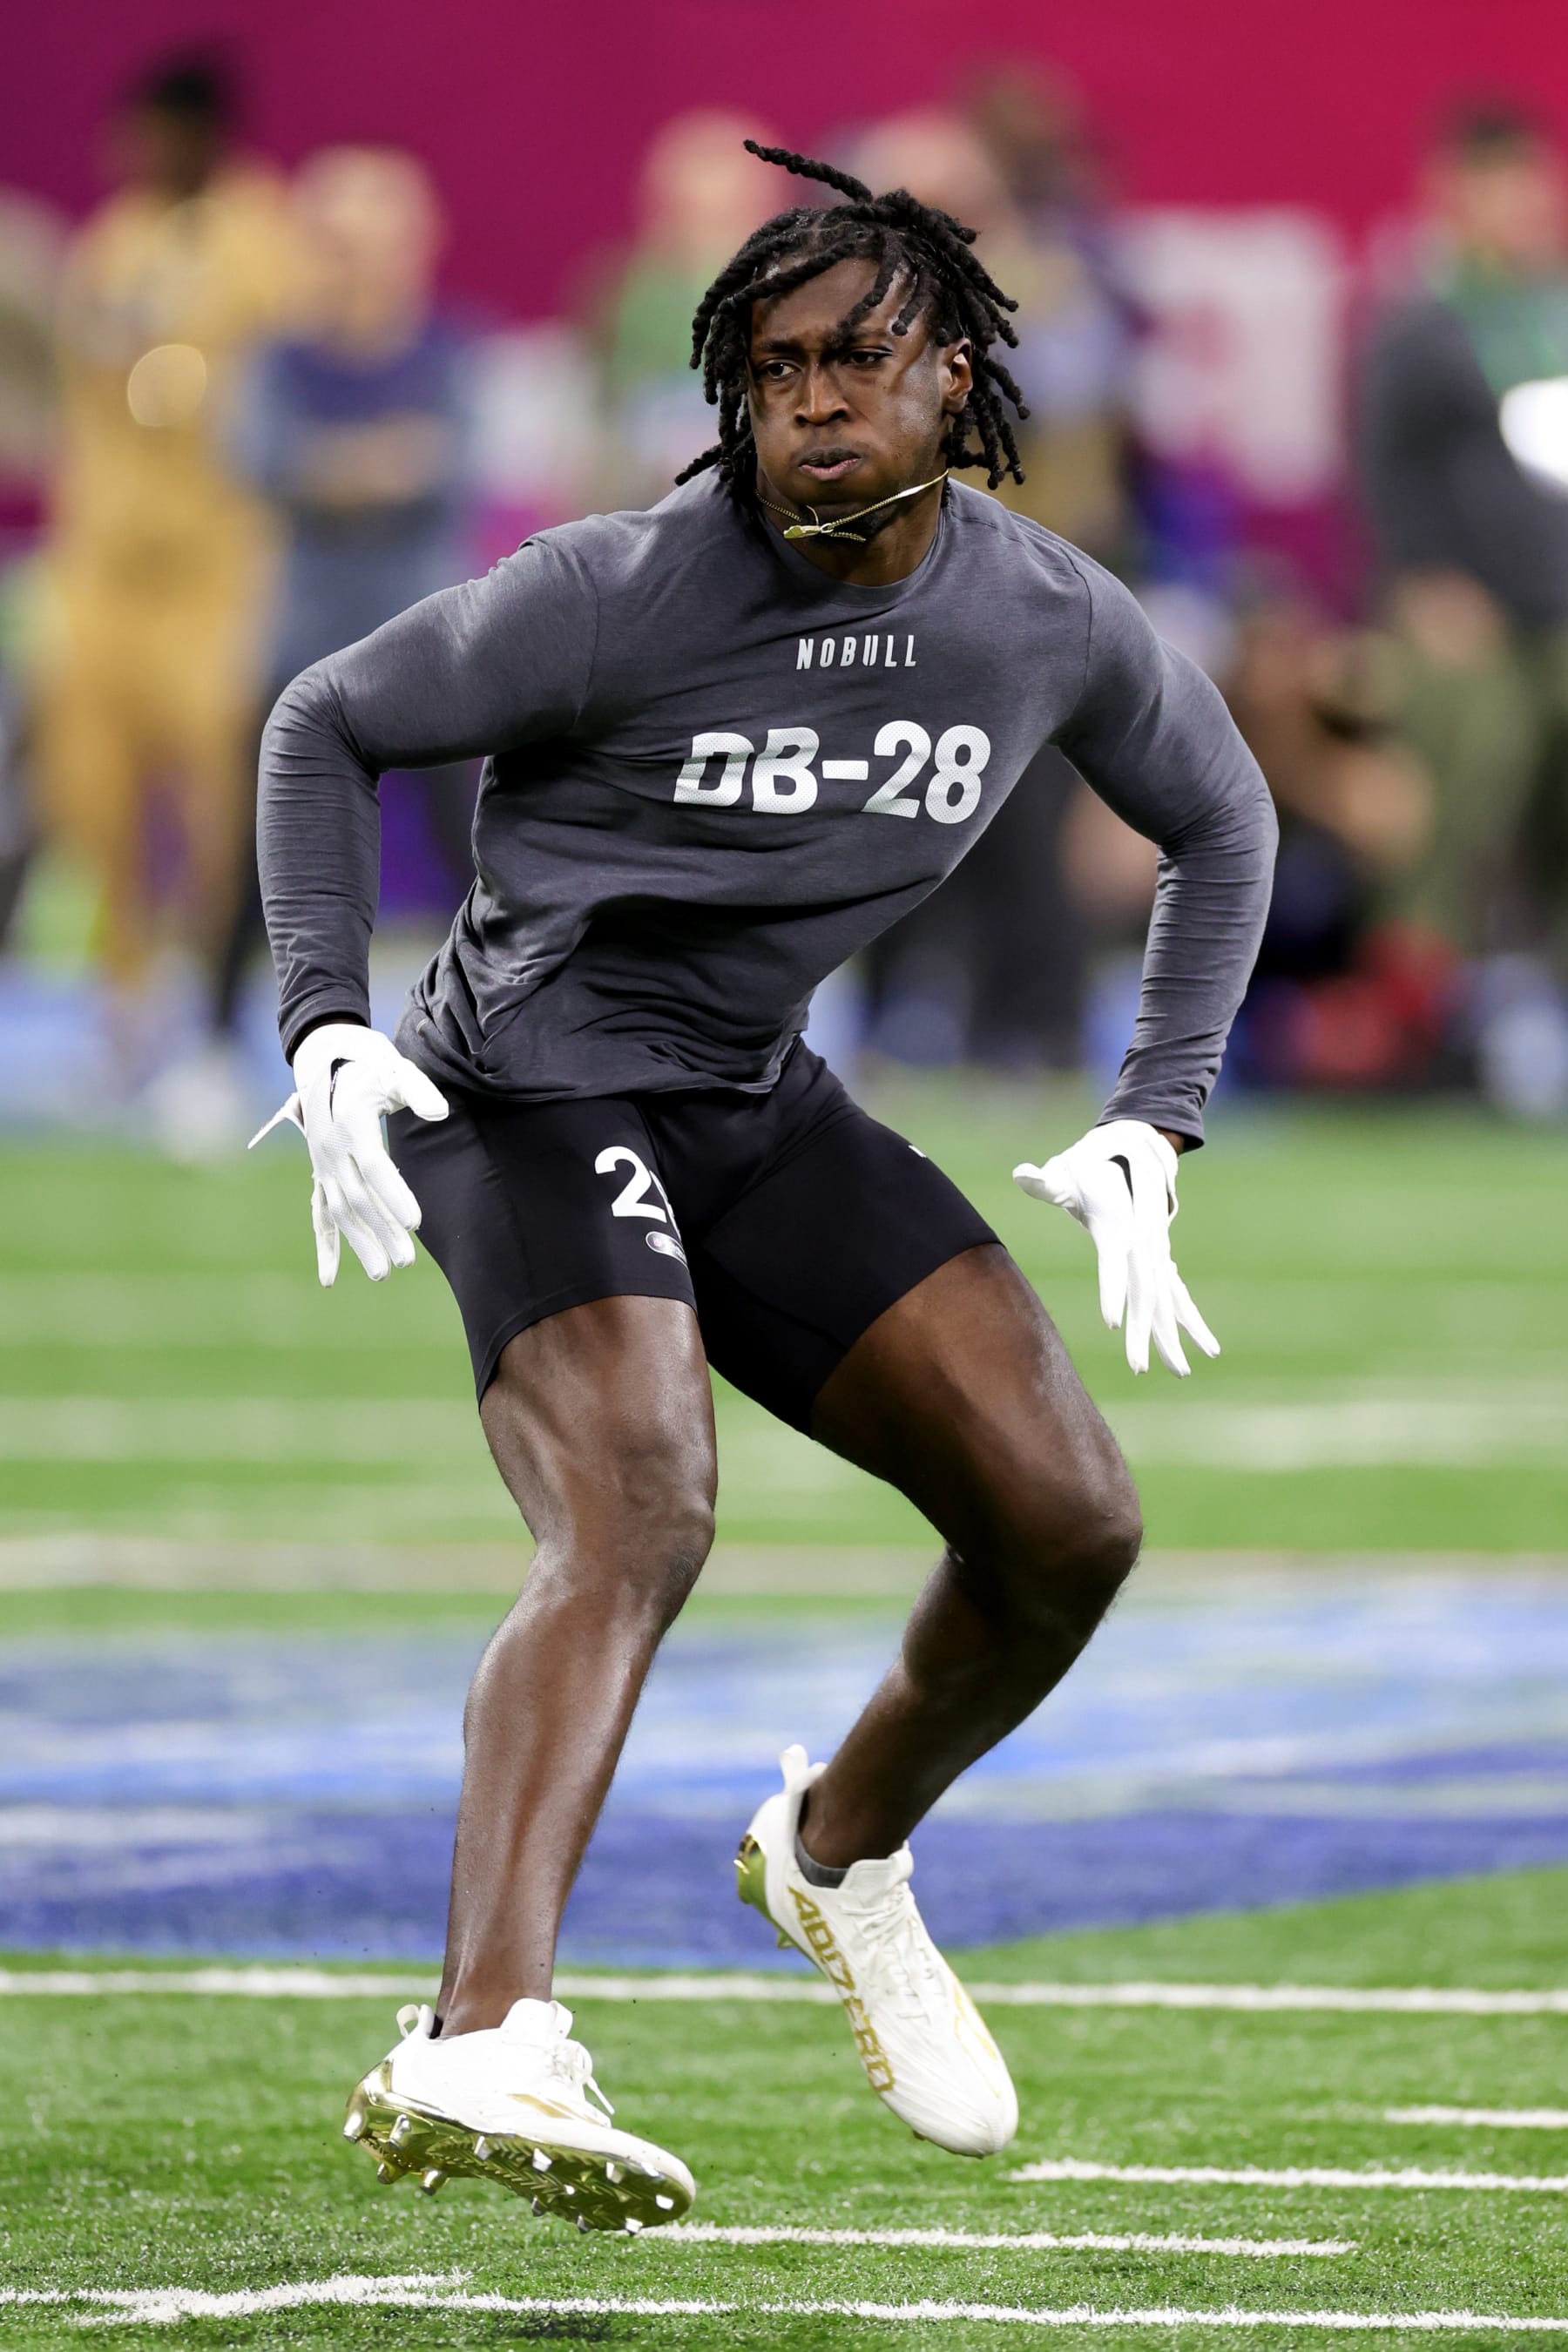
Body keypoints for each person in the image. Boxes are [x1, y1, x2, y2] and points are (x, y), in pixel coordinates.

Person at [255, 144, 1275, 2230]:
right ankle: (480, 2030)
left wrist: (1155, 1111)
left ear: (959, 378)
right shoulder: (623, 586)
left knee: (1068, 1516)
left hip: (741, 1090)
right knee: (643, 1491)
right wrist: (324, 1017)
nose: (809, 400)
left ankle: (838, 1848)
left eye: (858, 359)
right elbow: (324, 721)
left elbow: (1224, 821)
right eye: (775, 366)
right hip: (526, 1078)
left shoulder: (1042, 611)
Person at [158, 145, 479, 1158]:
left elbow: (454, 464)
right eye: (339, 238)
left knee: (491, 856)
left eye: (376, 237)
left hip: (438, 648)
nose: (358, 258)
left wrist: (336, 469)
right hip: (301, 651)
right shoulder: (279, 358)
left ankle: (514, 1045)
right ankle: (210, 1050)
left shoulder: (454, 349)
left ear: (416, 245)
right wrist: (374, 464)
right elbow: (259, 462)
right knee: (259, 866)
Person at [31, 52, 297, 1081]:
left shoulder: (264, 245)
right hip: (103, 565)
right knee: (89, 787)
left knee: (219, 793)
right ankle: (124, 1000)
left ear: (199, 133)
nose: (133, 153)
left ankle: (216, 1006)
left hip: (212, 566)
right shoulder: (109, 243)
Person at [1359, 102, 1568, 1058]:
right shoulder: (1421, 322)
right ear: (1455, 192)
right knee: (1467, 770)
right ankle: (1416, 1004)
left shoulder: (1552, 310)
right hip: (1461, 610)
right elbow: (1388, 467)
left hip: (1555, 605)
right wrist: (1427, 581)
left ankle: (1542, 1006)